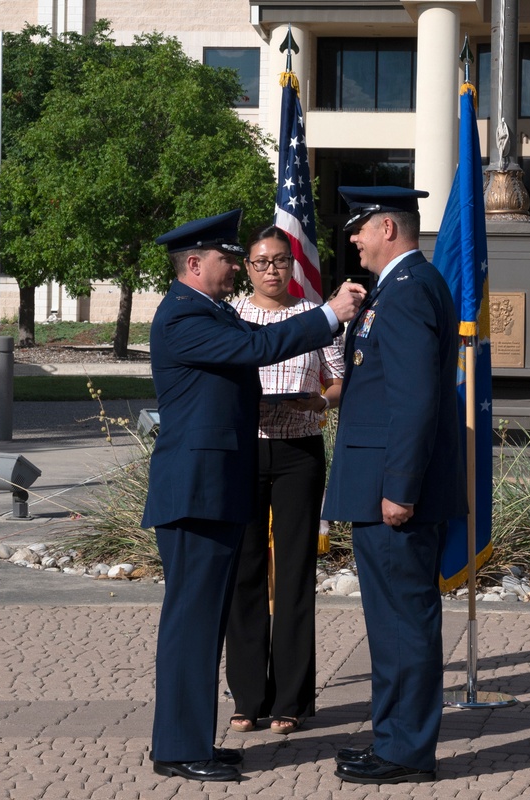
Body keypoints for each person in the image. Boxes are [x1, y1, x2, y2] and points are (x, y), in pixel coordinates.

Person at [142, 209, 364, 783]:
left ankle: (192, 740)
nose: (236, 269)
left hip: (212, 489)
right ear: (194, 263)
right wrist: (328, 315)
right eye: (227, 259)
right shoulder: (183, 316)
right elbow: (262, 348)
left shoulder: (208, 310)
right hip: (195, 492)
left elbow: (261, 338)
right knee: (192, 624)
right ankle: (177, 747)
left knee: (203, 622)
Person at [322, 186, 466, 785]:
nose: (352, 239)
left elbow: (413, 401)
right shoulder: (400, 288)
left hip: (392, 492)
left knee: (403, 622)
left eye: (359, 228)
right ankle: (393, 740)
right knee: (390, 623)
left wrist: (400, 488)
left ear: (387, 228)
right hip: (382, 484)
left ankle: (405, 752)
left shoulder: (407, 292)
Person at [225, 225, 345, 735]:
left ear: (292, 265)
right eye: (260, 261)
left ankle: (292, 700)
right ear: (247, 267)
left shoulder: (314, 318)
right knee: (245, 571)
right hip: (245, 450)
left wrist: (319, 400)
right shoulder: (231, 317)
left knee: (295, 573)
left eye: (279, 260)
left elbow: (341, 380)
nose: (270, 269)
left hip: (299, 450)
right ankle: (249, 698)